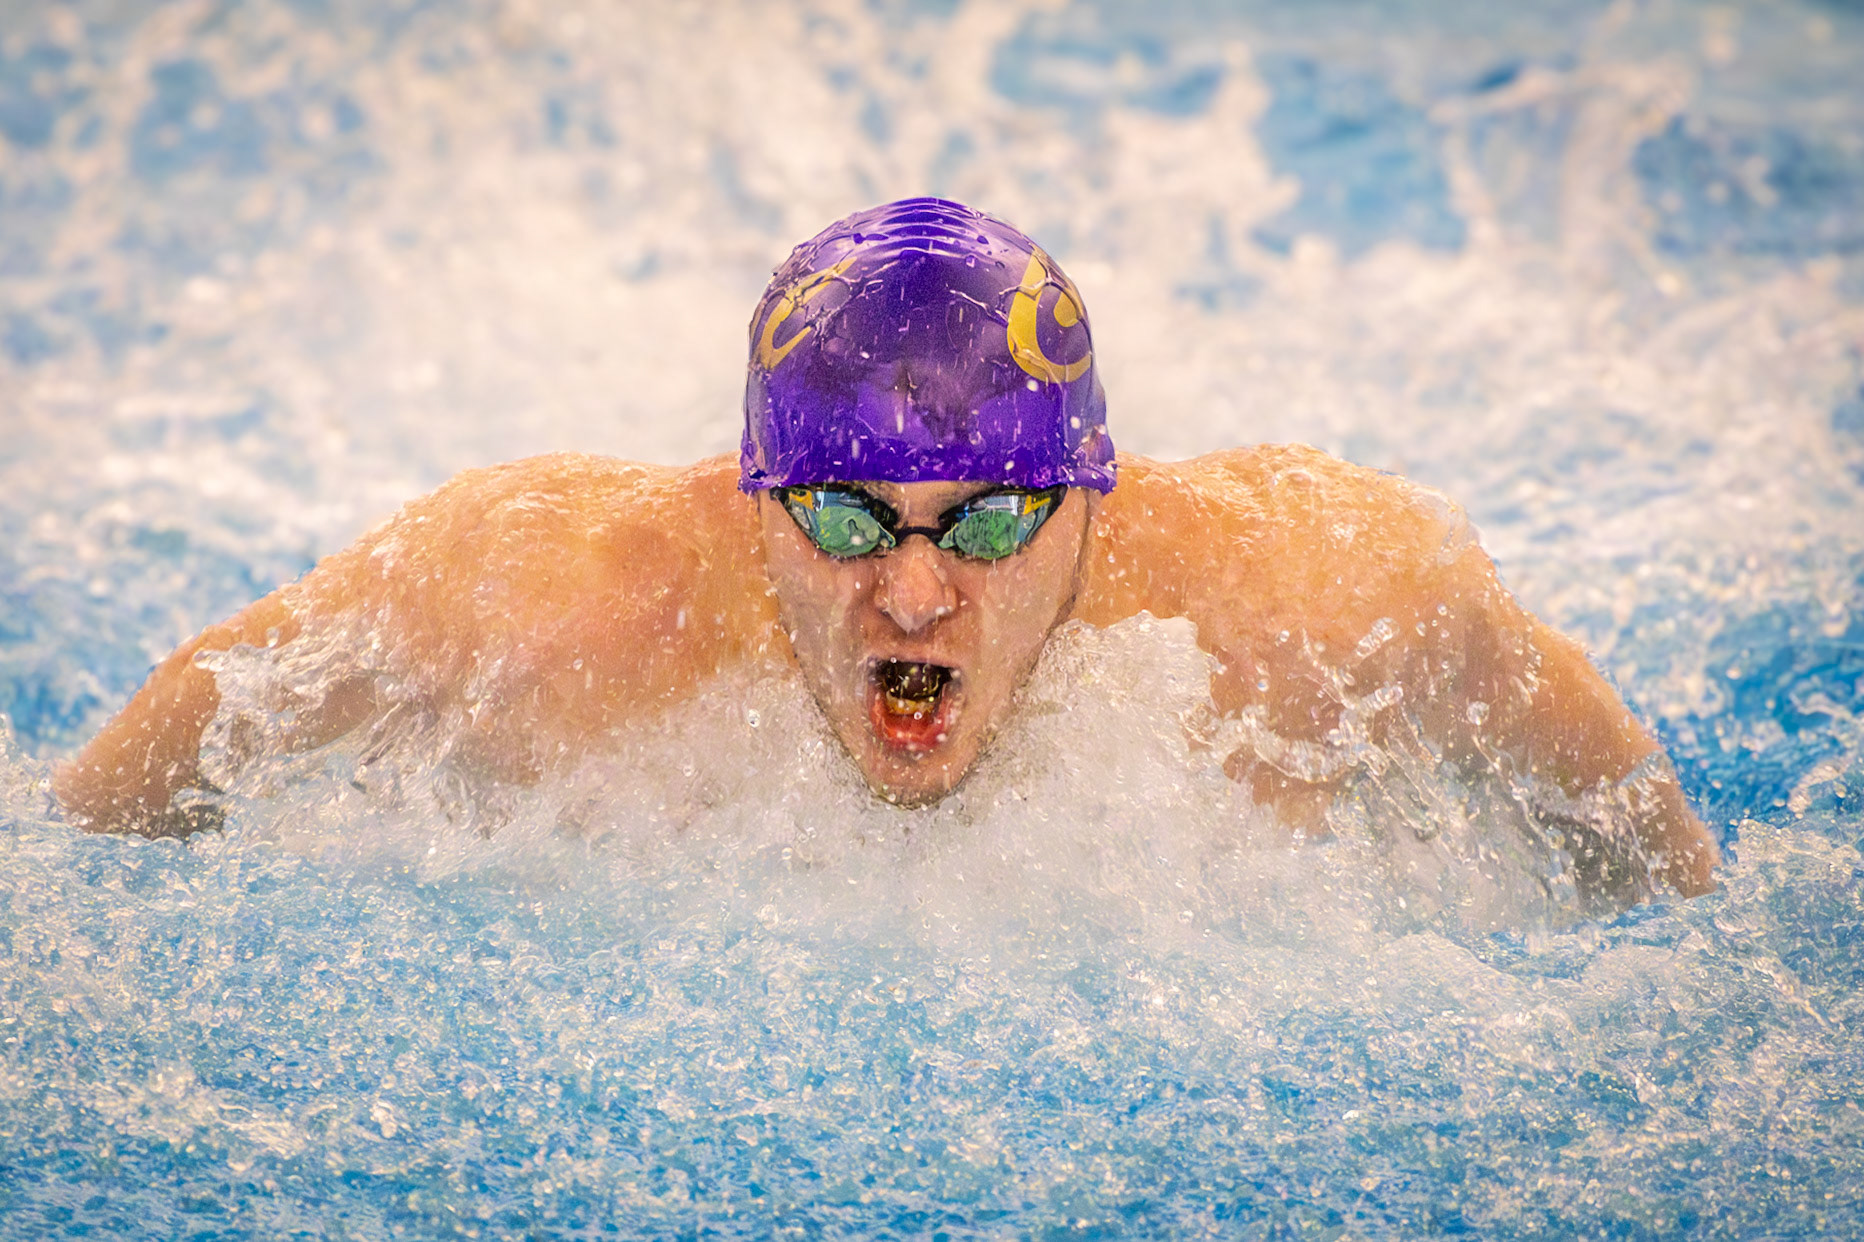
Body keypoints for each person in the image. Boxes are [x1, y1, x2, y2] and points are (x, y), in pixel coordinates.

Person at [53, 197, 1719, 902]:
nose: (914, 595)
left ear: (1095, 500)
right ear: (748, 499)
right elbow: (101, 822)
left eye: (988, 522)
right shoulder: (532, 601)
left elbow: (1658, 873)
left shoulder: (1321, 599)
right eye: (849, 519)